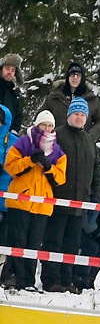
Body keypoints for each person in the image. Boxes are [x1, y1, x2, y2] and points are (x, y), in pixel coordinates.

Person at [1, 110, 66, 290]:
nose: (47, 128)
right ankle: (13, 278)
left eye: (50, 125)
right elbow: (10, 166)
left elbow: (61, 178)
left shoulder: (57, 150)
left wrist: (48, 167)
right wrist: (30, 161)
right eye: (43, 125)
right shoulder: (23, 142)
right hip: (20, 201)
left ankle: (28, 281)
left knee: (33, 245)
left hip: (42, 205)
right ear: (37, 125)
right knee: (18, 242)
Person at [42, 97, 100, 292]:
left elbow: (96, 171)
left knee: (72, 245)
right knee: (53, 242)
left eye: (83, 114)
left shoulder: (89, 141)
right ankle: (51, 280)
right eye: (76, 113)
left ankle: (66, 281)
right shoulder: (57, 135)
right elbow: (46, 166)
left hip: (80, 203)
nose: (79, 117)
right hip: (58, 200)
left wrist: (96, 195)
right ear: (69, 116)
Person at [40, 61, 100, 142]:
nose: (75, 78)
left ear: (82, 78)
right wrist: (49, 132)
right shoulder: (55, 97)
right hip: (57, 143)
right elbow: (41, 117)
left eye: (78, 75)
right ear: (68, 77)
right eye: (72, 75)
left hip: (82, 144)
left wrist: (89, 136)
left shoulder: (92, 99)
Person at [0, 53, 23, 148]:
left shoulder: (14, 95)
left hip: (6, 141)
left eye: (13, 70)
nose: (9, 72)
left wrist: (14, 132)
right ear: (1, 69)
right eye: (7, 68)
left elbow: (18, 116)